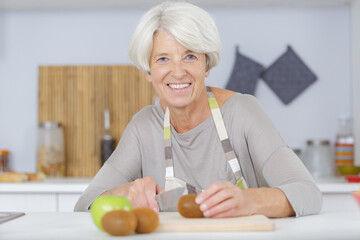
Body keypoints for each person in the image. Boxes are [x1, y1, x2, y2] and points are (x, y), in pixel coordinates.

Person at [74, 1, 322, 218]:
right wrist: (124, 193)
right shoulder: (144, 126)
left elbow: (307, 192)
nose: (178, 71)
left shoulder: (243, 112)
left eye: (190, 56)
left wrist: (250, 201)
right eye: (163, 59)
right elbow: (85, 204)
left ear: (207, 65)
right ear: (149, 72)